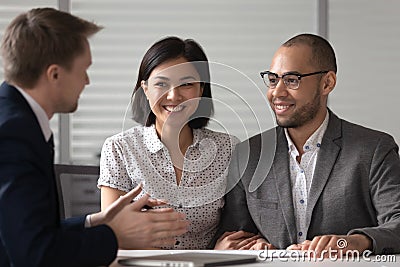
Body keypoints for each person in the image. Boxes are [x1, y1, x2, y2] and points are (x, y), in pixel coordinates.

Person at [0, 8, 188, 267]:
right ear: (54, 74)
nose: (87, 81)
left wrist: (97, 221)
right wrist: (115, 235)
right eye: (83, 70)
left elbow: (26, 232)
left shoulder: (19, 121)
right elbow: (35, 254)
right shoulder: (13, 134)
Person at [213, 33, 400, 255]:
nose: (277, 93)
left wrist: (354, 242)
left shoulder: (374, 149)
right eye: (273, 80)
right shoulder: (249, 155)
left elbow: (396, 224)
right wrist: (247, 245)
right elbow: (234, 234)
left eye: (292, 80)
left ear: (327, 83)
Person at [98, 36, 239, 249]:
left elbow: (236, 228)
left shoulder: (228, 149)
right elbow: (111, 236)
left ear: (201, 90)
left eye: (186, 84)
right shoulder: (119, 149)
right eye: (162, 84)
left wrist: (219, 255)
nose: (174, 95)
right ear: (145, 89)